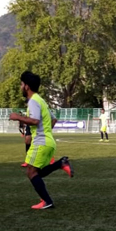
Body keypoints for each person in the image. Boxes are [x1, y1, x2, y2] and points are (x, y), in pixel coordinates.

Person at [9, 71, 73, 210]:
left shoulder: (33, 101)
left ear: (27, 86)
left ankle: (47, 201)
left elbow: (35, 120)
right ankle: (60, 163)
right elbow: (53, 119)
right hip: (48, 142)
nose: (20, 87)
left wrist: (17, 117)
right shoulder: (40, 100)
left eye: (21, 84)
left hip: (41, 142)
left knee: (31, 172)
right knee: (38, 172)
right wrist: (46, 133)